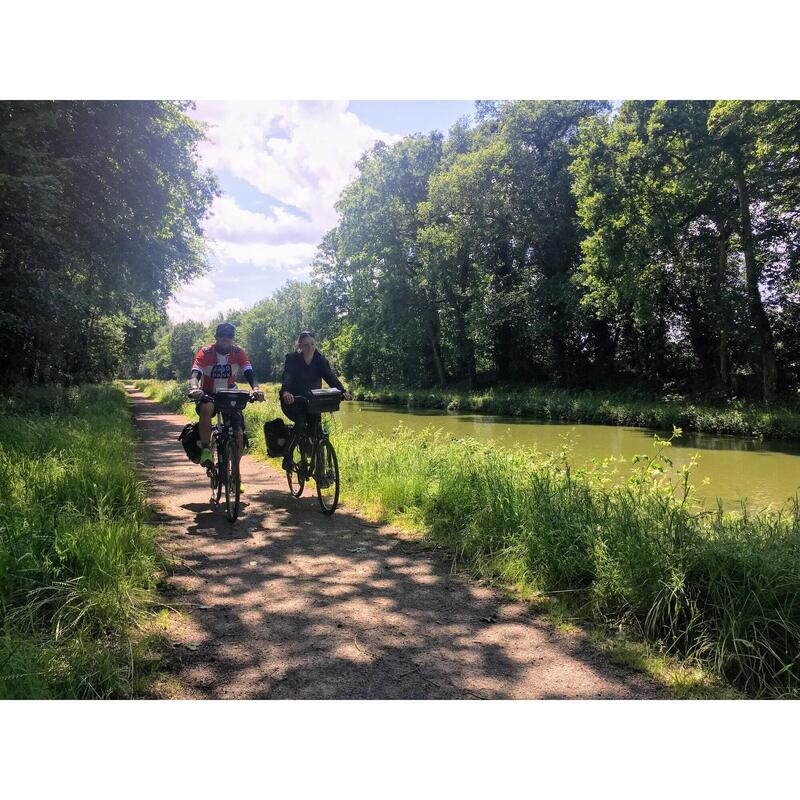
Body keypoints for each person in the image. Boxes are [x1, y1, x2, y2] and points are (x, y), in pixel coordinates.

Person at [188, 322, 264, 468]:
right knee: (206, 408)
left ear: (233, 338)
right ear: (216, 337)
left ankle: (236, 473)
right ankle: (205, 450)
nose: (226, 339)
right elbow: (195, 373)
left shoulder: (238, 353)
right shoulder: (206, 352)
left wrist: (256, 389)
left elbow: (249, 372)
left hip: (230, 393)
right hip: (209, 392)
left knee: (239, 433)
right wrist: (194, 387)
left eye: (229, 336)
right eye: (222, 335)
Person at [279, 331, 351, 470]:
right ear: (300, 346)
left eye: (312, 344)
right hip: (293, 400)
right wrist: (286, 392)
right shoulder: (292, 359)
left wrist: (343, 391)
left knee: (316, 429)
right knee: (301, 423)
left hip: (313, 401)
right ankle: (288, 456)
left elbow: (330, 378)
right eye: (306, 345)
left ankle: (319, 470)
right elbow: (287, 376)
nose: (310, 348)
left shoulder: (320, 360)